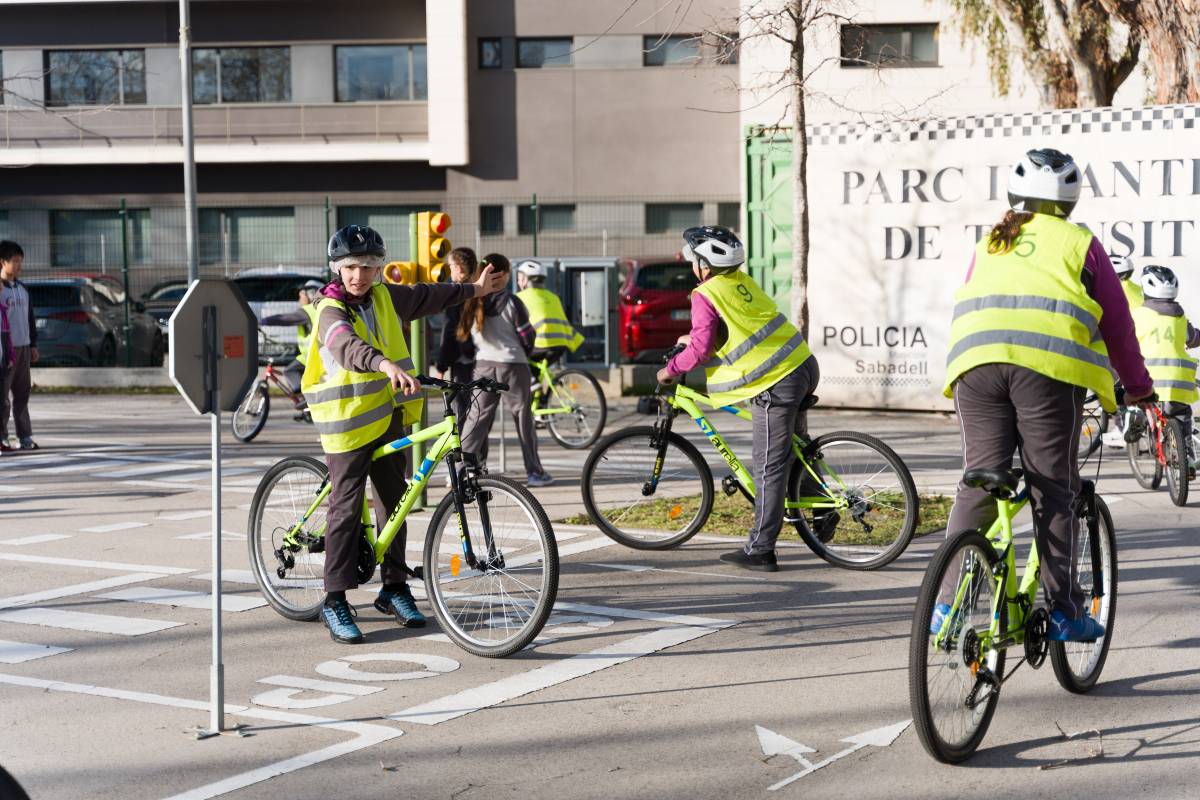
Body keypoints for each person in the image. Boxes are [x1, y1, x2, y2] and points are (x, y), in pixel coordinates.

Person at [940, 148, 1153, 642]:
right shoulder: (1081, 243)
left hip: (975, 366)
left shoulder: (992, 239)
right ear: (1070, 201)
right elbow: (1118, 327)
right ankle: (1064, 611)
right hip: (1047, 371)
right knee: (1053, 488)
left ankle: (944, 604)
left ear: (1017, 196)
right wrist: (1139, 389)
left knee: (978, 481)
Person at [302, 225, 504, 644]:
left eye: (369, 267)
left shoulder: (384, 296)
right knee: (346, 504)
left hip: (386, 416)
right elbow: (345, 346)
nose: (360, 275)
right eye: (352, 267)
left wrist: (473, 289)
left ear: (379, 268)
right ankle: (335, 599)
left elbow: (428, 294)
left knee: (396, 502)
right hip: (347, 422)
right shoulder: (329, 309)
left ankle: (393, 588)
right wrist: (383, 365)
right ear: (338, 268)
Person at [656, 226, 819, 572]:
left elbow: (700, 351)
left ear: (703, 264)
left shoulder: (706, 293)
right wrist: (692, 338)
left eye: (693, 260)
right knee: (794, 448)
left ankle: (761, 548)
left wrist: (669, 369)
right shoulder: (741, 283)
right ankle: (822, 512)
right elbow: (736, 329)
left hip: (776, 381)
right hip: (802, 364)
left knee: (767, 466)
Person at [458, 254, 554, 487]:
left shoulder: (472, 300)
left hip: (483, 365)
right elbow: (526, 336)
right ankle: (534, 472)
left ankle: (461, 471)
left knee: (476, 419)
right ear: (506, 274)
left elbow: (465, 338)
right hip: (514, 365)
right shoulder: (512, 302)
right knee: (523, 418)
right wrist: (527, 351)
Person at [1131, 265, 1199, 469]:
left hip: (1149, 380)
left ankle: (1136, 424)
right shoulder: (1180, 317)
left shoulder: (1138, 315)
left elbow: (1126, 340)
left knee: (1137, 402)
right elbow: (1193, 338)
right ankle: (1187, 457)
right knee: (1182, 416)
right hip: (1179, 381)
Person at [259, 280, 323, 416]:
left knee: (289, 371)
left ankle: (307, 399)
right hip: (319, 354)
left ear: (309, 295)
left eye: (301, 295)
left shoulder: (307, 311)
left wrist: (263, 321)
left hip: (313, 356)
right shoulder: (320, 308)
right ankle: (307, 407)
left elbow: (285, 318)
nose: (299, 299)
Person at [434, 248, 479, 423]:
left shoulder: (456, 294)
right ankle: (478, 451)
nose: (449, 270)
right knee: (478, 415)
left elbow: (450, 331)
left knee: (463, 413)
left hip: (462, 362)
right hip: (482, 361)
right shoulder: (479, 290)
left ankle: (465, 449)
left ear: (459, 268)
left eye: (451, 266)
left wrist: (441, 365)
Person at [0, 241, 37, 452]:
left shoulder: (23, 289)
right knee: (2, 397)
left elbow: (30, 319)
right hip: (6, 350)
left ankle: (25, 437)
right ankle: (2, 437)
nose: (18, 265)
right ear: (2, 262)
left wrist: (33, 344)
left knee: (22, 395)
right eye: (14, 261)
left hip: (23, 347)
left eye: (20, 261)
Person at [515, 260, 584, 363]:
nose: (518, 282)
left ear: (525, 280)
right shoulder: (553, 297)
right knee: (535, 373)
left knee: (516, 362)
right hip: (562, 343)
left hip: (541, 343)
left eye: (519, 279)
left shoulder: (520, 297)